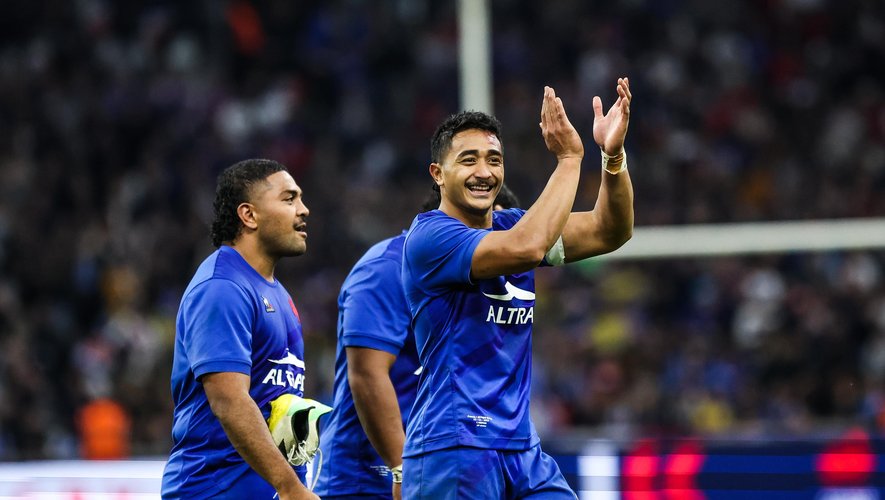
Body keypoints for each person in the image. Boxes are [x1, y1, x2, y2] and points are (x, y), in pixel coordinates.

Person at [400, 79, 634, 498]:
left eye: (494, 159)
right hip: (454, 444)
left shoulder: (512, 225)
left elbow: (610, 231)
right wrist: (568, 159)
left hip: (522, 446)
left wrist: (612, 157)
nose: (484, 172)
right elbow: (528, 247)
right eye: (468, 160)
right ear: (438, 174)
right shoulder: (431, 238)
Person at [313, 186, 520, 500]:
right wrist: (401, 469)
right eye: (491, 228)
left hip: (437, 469)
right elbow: (368, 374)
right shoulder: (385, 268)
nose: (496, 246)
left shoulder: (477, 285)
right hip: (366, 480)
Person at [161, 159, 320, 500]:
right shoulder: (222, 287)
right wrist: (289, 487)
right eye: (289, 199)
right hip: (214, 491)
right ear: (249, 215)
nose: (303, 209)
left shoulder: (277, 292)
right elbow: (229, 400)